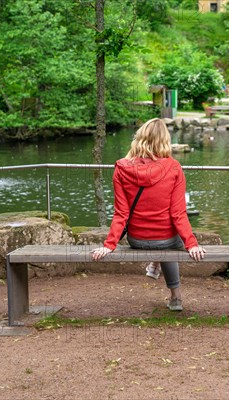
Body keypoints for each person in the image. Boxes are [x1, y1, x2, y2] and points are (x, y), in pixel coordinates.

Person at [91, 118, 206, 311]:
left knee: (165, 243)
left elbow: (121, 213)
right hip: (166, 240)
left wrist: (108, 245)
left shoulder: (121, 168)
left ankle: (155, 264)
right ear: (164, 141)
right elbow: (178, 214)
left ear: (140, 138)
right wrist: (192, 244)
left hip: (137, 239)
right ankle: (176, 297)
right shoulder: (174, 167)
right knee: (173, 243)